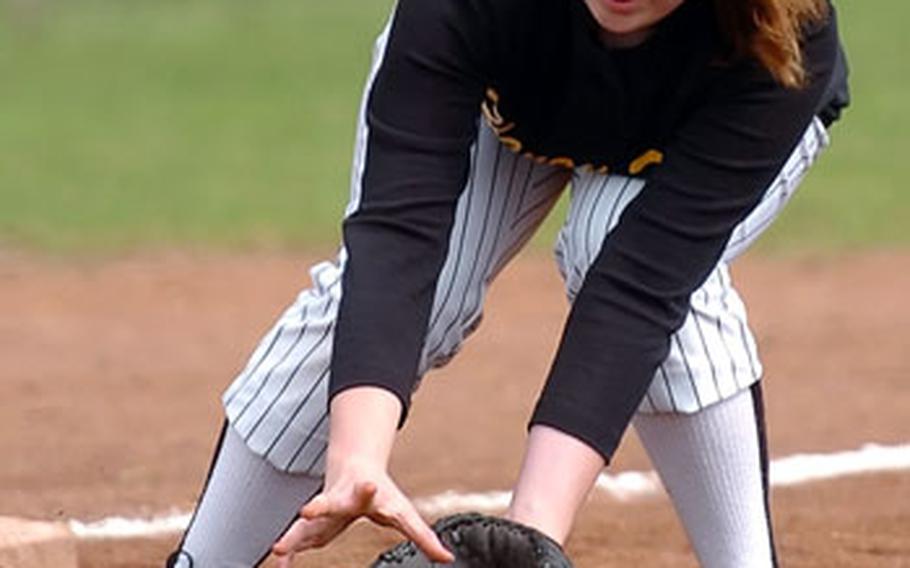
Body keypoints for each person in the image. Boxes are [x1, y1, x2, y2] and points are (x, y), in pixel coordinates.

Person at [166, 0, 849, 566]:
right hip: (519, 93)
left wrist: (530, 537)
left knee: (619, 251)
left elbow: (641, 287)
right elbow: (399, 236)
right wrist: (356, 459)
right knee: (401, 294)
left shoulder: (787, 29)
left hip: (708, 102)